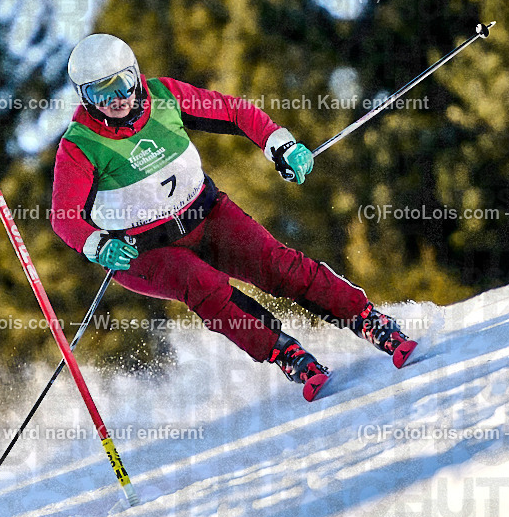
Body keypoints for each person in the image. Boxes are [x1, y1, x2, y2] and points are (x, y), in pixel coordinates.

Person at [50, 34, 417, 401]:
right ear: (84, 97)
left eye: (123, 84)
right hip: (143, 251)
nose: (116, 99)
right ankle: (285, 353)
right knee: (203, 285)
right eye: (101, 93)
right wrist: (96, 244)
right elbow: (64, 215)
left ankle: (367, 318)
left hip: (206, 214)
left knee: (277, 265)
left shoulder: (164, 96)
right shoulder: (80, 145)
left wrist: (280, 144)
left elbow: (234, 112)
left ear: (136, 75)